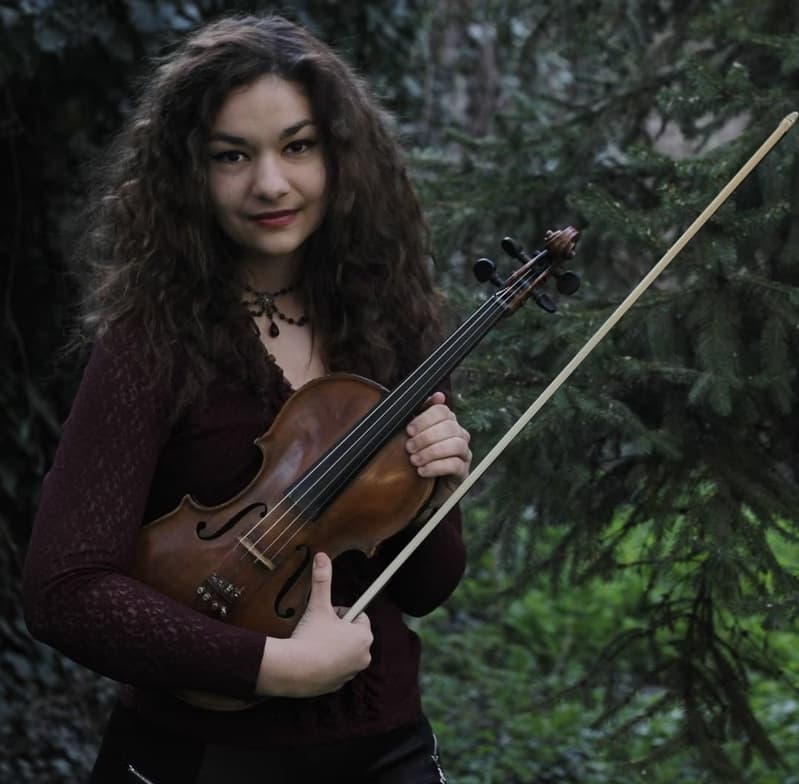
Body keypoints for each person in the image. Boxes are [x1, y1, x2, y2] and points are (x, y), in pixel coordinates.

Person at [22, 12, 472, 784]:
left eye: (298, 146)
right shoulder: (151, 343)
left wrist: (434, 489)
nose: (269, 183)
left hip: (383, 745)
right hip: (201, 758)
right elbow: (65, 592)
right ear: (189, 174)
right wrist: (269, 667)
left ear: (341, 156)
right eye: (232, 155)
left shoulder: (396, 326)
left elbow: (426, 587)